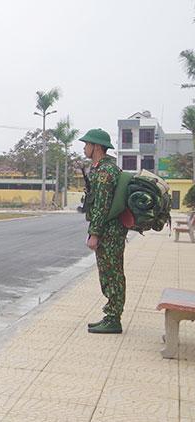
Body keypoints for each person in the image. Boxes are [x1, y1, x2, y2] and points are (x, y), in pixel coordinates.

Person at [80, 129, 127, 334]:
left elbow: (101, 205)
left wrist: (95, 233)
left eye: (87, 144)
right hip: (111, 230)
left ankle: (113, 318)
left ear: (96, 147)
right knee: (109, 272)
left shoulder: (105, 172)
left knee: (112, 273)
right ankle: (111, 315)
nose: (84, 147)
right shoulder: (104, 168)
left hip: (109, 231)